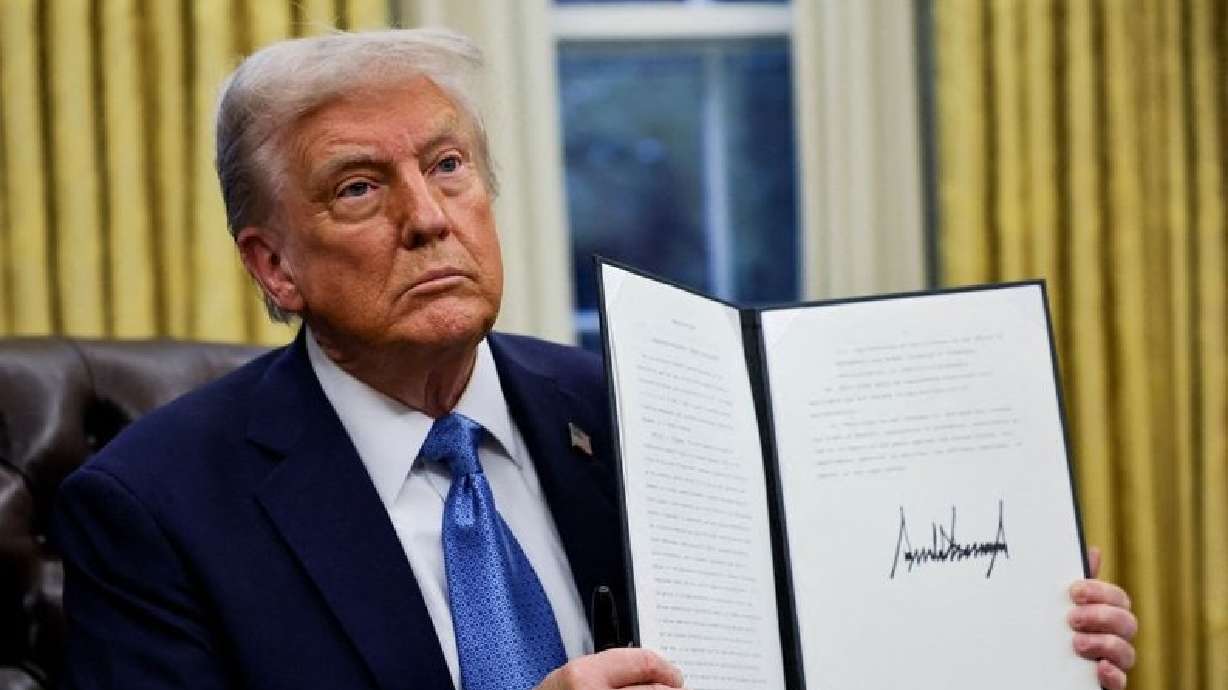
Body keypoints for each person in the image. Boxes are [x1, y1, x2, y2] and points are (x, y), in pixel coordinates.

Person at [52, 28, 1136, 690]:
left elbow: (829, 648)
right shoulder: (154, 508)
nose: (428, 217)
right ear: (274, 265)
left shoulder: (646, 412)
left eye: (448, 166)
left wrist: (1016, 641)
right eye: (359, 187)